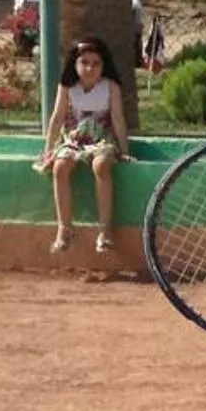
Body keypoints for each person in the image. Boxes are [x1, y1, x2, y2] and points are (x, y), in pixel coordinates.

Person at [37, 36, 131, 255]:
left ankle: (105, 230)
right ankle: (64, 228)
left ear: (103, 65)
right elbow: (58, 116)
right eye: (84, 63)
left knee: (101, 165)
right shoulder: (68, 86)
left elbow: (117, 119)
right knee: (60, 167)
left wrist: (124, 151)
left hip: (102, 138)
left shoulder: (110, 87)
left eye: (96, 63)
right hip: (75, 138)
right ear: (75, 63)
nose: (90, 68)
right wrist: (49, 148)